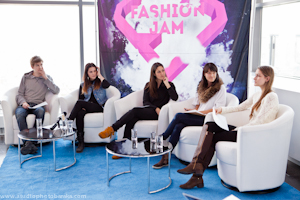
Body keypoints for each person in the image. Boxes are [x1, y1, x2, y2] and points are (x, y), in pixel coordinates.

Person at [177, 66, 279, 189]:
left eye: (258, 75)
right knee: (210, 125)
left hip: (252, 133)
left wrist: (239, 129)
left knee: (214, 136)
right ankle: (196, 165)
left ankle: (196, 173)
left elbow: (260, 121)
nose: (254, 77)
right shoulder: (258, 94)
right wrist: (222, 110)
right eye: (255, 74)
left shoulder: (271, 97)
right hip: (245, 130)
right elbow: (240, 107)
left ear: (267, 78)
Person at [152, 63, 226, 169]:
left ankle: (163, 137)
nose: (212, 75)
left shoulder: (220, 88)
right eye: (209, 73)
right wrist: (193, 111)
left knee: (178, 116)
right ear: (204, 74)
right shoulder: (201, 86)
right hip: (199, 116)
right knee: (178, 126)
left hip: (209, 118)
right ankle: (165, 158)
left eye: (214, 72)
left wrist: (202, 113)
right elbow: (198, 106)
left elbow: (218, 109)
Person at [99, 62, 178, 159]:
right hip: (151, 111)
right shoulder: (148, 85)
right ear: (154, 74)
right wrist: (156, 108)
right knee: (131, 120)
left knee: (135, 111)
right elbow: (146, 102)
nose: (162, 73)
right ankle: (124, 149)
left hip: (161, 114)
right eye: (159, 72)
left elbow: (175, 97)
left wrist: (167, 84)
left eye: (163, 71)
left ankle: (112, 129)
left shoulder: (169, 85)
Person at [16, 56, 60, 155]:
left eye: (41, 65)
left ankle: (30, 144)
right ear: (32, 66)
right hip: (25, 105)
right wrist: (23, 102)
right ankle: (29, 143)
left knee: (40, 111)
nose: (40, 67)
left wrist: (45, 78)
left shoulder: (47, 78)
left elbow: (56, 90)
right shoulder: (26, 77)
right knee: (19, 114)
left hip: (38, 105)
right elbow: (19, 93)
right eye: (37, 65)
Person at [68, 63, 111, 153]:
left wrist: (100, 75)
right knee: (80, 114)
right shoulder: (83, 85)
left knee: (79, 104)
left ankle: (68, 122)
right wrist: (83, 108)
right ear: (87, 73)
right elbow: (81, 98)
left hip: (99, 107)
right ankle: (81, 142)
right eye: (91, 72)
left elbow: (107, 85)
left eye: (95, 71)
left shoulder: (101, 82)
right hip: (87, 108)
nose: (93, 73)